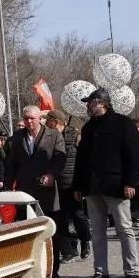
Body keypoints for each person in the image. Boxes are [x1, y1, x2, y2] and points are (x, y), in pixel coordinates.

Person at [72, 88, 139, 278]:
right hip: (93, 187)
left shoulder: (123, 123)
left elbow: (134, 155)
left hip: (117, 185)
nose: (88, 105)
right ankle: (100, 272)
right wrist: (78, 184)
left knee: (124, 228)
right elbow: (82, 159)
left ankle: (132, 272)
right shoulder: (88, 128)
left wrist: (130, 182)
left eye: (90, 102)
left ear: (102, 103)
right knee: (97, 231)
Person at [5, 107, 66, 278]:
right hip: (25, 192)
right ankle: (30, 269)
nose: (29, 121)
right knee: (27, 231)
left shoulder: (54, 136)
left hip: (47, 191)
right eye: (26, 119)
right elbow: (11, 164)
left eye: (32, 118)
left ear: (40, 118)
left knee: (50, 231)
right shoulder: (17, 137)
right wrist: (8, 187)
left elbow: (60, 158)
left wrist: (52, 174)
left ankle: (53, 270)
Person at [46, 111, 90, 263]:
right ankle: (69, 250)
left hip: (72, 183)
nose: (46, 123)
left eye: (48, 120)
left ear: (56, 121)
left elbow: (84, 160)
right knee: (61, 218)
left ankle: (85, 240)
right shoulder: (49, 136)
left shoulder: (75, 136)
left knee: (78, 215)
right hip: (56, 184)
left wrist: (82, 184)